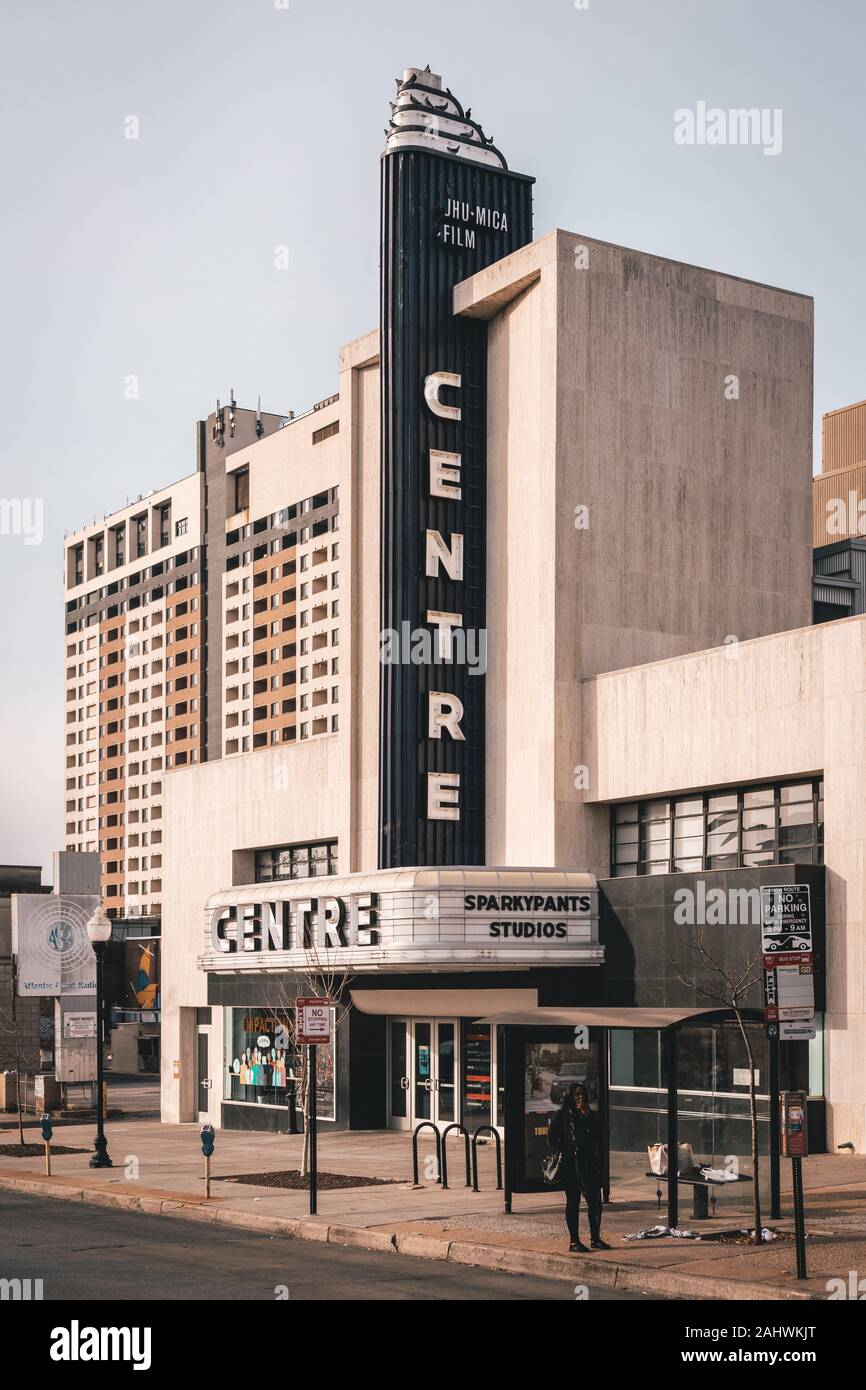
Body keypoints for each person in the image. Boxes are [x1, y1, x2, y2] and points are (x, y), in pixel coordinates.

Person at [548, 1082, 610, 1252]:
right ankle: (574, 1241)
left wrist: (587, 1114)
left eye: (582, 1093)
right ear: (570, 1097)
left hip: (588, 1162)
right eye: (576, 1094)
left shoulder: (588, 1114)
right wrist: (567, 1149)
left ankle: (595, 1238)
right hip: (571, 1164)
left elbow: (597, 1135)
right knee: (573, 1201)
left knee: (595, 1201)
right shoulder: (562, 1115)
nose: (580, 1097)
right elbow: (552, 1138)